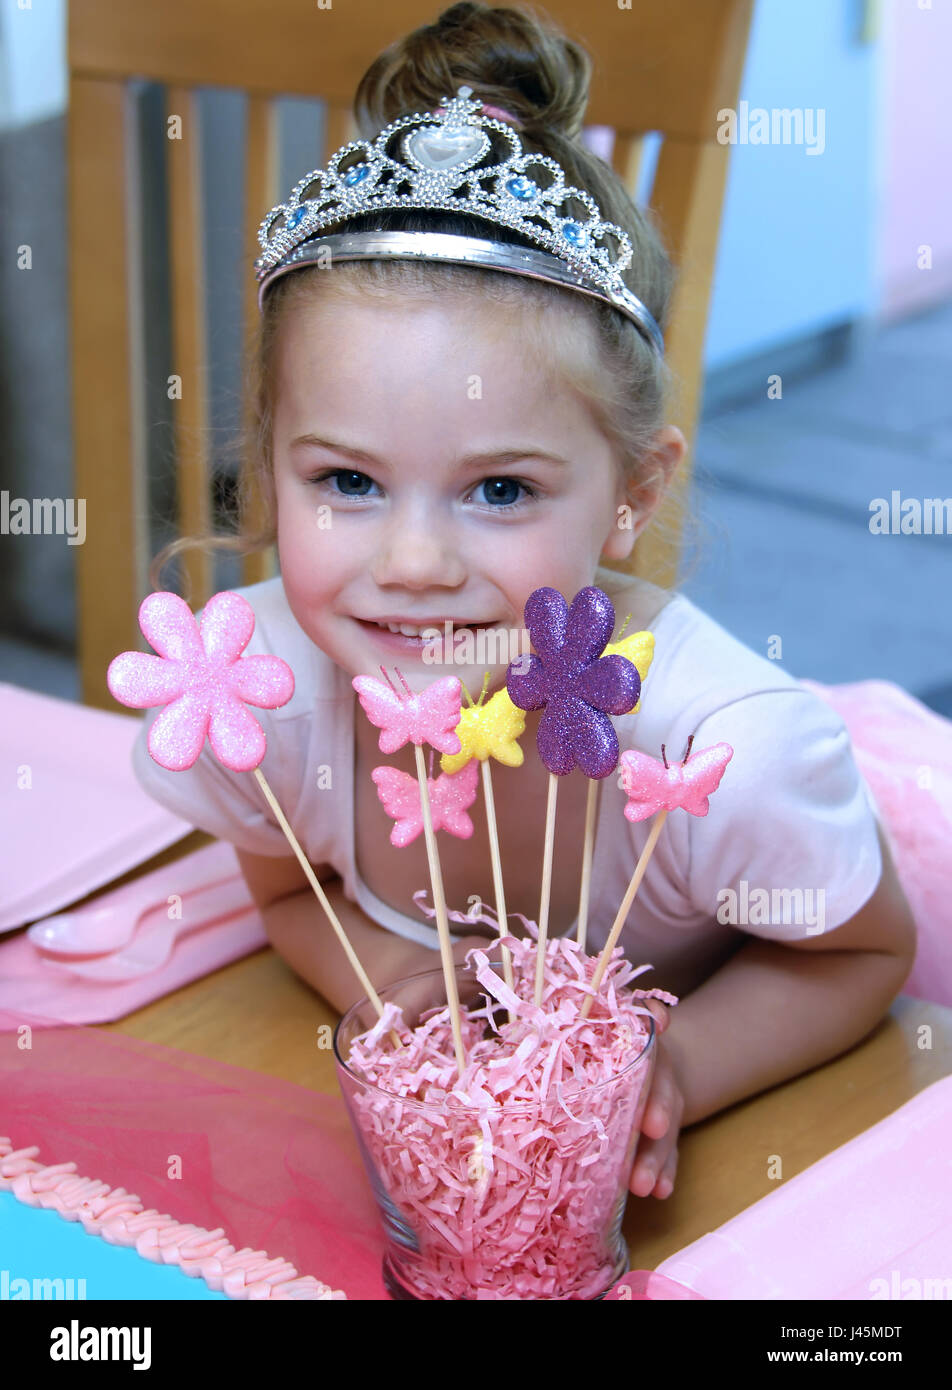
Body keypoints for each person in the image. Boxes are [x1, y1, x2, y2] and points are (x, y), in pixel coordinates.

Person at [132, 2, 917, 1208]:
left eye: (498, 488)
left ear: (630, 492)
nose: (411, 561)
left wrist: (682, 1065)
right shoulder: (261, 694)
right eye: (345, 480)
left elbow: (864, 955)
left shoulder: (723, 759)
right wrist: (386, 968)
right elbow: (292, 887)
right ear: (269, 457)